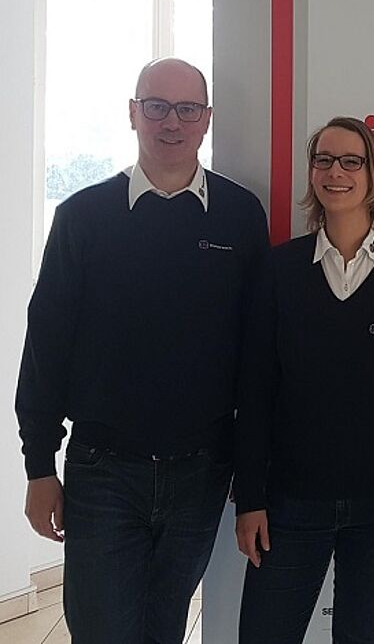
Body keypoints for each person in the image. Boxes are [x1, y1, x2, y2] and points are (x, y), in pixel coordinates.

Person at [15, 57, 269, 642]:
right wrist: (38, 465)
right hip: (103, 471)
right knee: (103, 631)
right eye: (156, 106)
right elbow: (46, 346)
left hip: (202, 471)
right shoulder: (82, 217)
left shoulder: (240, 216)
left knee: (163, 630)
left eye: (187, 109)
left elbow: (257, 358)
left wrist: (252, 475)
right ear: (133, 113)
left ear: (206, 119)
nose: (171, 122)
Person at [234, 116, 374, 644]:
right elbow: (255, 392)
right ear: (312, 173)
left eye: (351, 161)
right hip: (290, 504)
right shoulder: (280, 269)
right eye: (324, 160)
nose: (336, 172)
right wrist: (249, 500)